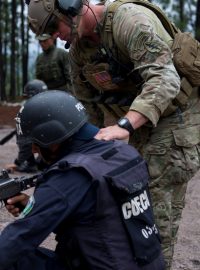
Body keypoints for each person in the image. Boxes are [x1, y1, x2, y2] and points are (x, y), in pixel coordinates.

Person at [27, 0, 200, 268]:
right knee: (122, 191)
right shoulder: (79, 52)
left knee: (150, 205)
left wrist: (124, 125)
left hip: (176, 115)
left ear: (71, 8)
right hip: (139, 119)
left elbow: (165, 79)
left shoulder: (128, 20)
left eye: (53, 26)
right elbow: (84, 111)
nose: (53, 35)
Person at [0, 90, 165, 270]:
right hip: (146, 263)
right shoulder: (125, 153)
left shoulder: (69, 175)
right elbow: (96, 218)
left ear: (53, 134)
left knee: (15, 257)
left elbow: (17, 239)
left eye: (37, 142)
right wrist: (34, 206)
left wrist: (38, 209)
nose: (34, 150)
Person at [6, 79, 48, 173]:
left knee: (26, 135)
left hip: (53, 151)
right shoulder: (52, 105)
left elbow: (24, 142)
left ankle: (31, 164)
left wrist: (18, 162)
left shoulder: (28, 111)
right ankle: (44, 162)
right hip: (64, 150)